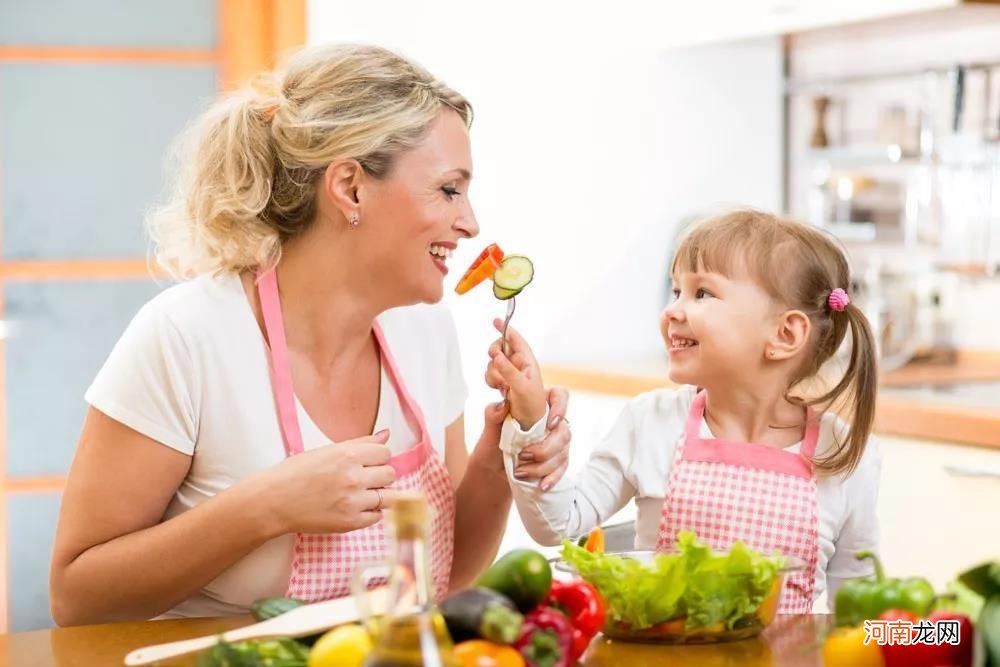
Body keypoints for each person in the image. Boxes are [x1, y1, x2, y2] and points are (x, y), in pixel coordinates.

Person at [49, 43, 571, 625]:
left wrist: (502, 456)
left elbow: (443, 579)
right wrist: (267, 507)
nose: (470, 222)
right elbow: (77, 597)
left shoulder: (426, 332)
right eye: (449, 189)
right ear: (350, 187)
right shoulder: (185, 338)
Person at [488, 209, 882, 612]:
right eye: (676, 291)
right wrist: (531, 422)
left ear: (784, 334)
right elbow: (559, 524)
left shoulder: (845, 455)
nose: (672, 311)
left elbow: (855, 609)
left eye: (702, 293)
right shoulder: (651, 422)